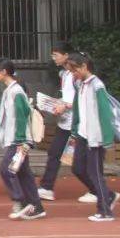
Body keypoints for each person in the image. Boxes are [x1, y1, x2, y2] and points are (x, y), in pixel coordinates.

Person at [0, 59, 45, 220]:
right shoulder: (10, 91)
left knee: (6, 169)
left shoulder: (16, 92)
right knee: (24, 174)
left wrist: (20, 140)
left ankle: (20, 201)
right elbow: (0, 115)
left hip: (18, 141)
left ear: (4, 72)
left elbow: (22, 116)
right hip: (17, 140)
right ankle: (37, 207)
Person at [67, 52, 119, 221]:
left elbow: (105, 114)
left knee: (95, 172)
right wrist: (75, 129)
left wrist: (107, 139)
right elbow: (77, 108)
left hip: (95, 137)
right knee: (77, 168)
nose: (73, 74)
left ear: (84, 67)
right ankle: (107, 195)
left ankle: (105, 211)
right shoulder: (81, 84)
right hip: (83, 134)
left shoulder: (97, 86)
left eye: (75, 70)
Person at [38, 41, 77, 202]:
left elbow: (81, 98)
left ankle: (100, 190)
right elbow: (68, 97)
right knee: (54, 153)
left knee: (81, 161)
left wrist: (66, 105)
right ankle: (46, 187)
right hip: (65, 122)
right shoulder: (65, 74)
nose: (53, 58)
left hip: (76, 124)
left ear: (66, 55)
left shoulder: (76, 75)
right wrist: (56, 103)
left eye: (56, 54)